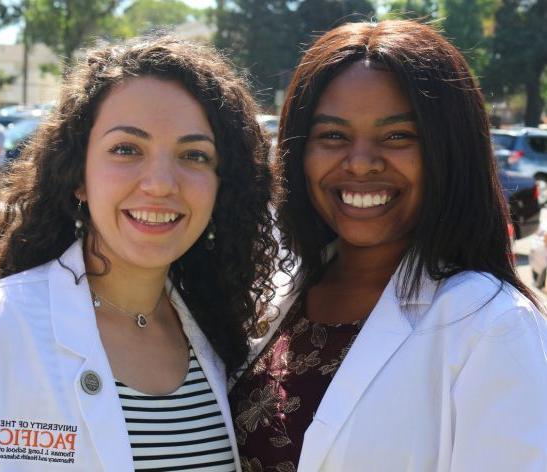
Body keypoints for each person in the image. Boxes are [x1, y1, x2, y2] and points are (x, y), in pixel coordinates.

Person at [229, 19, 547, 471]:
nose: (360, 163)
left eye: (398, 135)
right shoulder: (277, 294)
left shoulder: (492, 325)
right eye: (333, 136)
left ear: (449, 151)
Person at [0, 34, 278, 471]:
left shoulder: (224, 336)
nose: (160, 183)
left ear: (222, 187)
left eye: (194, 155)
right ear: (78, 176)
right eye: (126, 149)